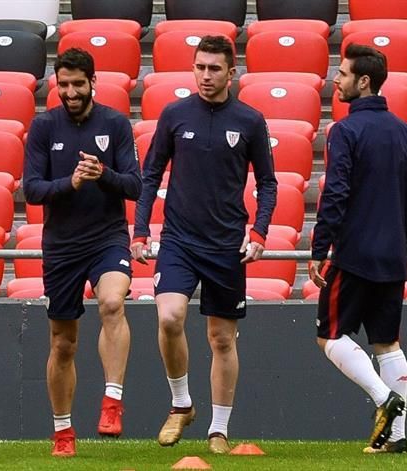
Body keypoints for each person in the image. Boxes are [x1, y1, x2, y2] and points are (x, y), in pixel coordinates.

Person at [131, 35, 277, 454]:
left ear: (232, 72)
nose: (206, 76)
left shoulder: (250, 121)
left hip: (226, 244)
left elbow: (267, 183)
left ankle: (219, 428)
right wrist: (140, 231)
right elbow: (151, 174)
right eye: (200, 67)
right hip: (178, 239)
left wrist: (260, 232)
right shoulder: (175, 114)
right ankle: (181, 404)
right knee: (169, 318)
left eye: (214, 69)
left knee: (221, 339)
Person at [23, 48, 142, 458]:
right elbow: (32, 189)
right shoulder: (43, 126)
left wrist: (102, 174)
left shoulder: (115, 123)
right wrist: (70, 183)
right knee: (63, 344)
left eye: (78, 83)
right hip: (61, 247)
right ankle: (63, 432)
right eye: (64, 84)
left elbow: (135, 185)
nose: (70, 91)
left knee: (112, 302)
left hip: (107, 238)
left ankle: (112, 401)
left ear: (94, 82)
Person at [309, 43, 407, 454]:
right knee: (387, 343)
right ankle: (396, 439)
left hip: (355, 254)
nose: (334, 81)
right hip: (393, 256)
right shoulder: (405, 131)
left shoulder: (345, 130)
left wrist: (320, 246)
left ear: (363, 81)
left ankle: (383, 399)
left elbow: (335, 193)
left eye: (341, 74)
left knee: (329, 335)